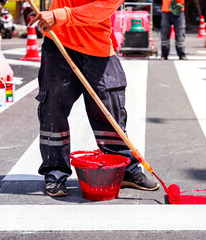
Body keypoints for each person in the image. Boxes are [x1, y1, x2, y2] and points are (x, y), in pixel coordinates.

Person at [29, 0, 160, 197]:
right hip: (59, 42)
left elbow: (102, 8)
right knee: (53, 109)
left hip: (96, 46)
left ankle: (124, 169)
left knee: (110, 108)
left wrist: (58, 16)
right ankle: (55, 172)